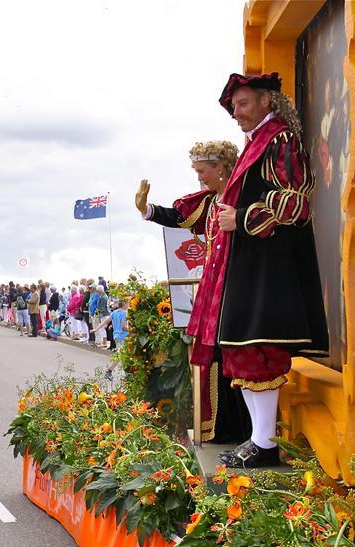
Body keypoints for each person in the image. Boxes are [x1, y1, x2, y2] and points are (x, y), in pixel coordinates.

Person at [191, 72, 329, 467]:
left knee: (259, 350)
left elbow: (297, 201)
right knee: (242, 352)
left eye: (243, 104)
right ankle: (259, 438)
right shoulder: (259, 143)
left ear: (267, 100)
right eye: (234, 108)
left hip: (269, 266)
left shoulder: (281, 139)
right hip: (250, 263)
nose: (236, 113)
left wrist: (246, 218)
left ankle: (265, 442)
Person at [137, 139, 252, 445]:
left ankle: (246, 432)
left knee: (237, 360)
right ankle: (221, 429)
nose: (199, 178)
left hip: (239, 289)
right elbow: (179, 217)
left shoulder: (242, 198)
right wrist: (146, 209)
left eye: (203, 171)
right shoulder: (211, 201)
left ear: (222, 167)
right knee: (214, 358)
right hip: (216, 291)